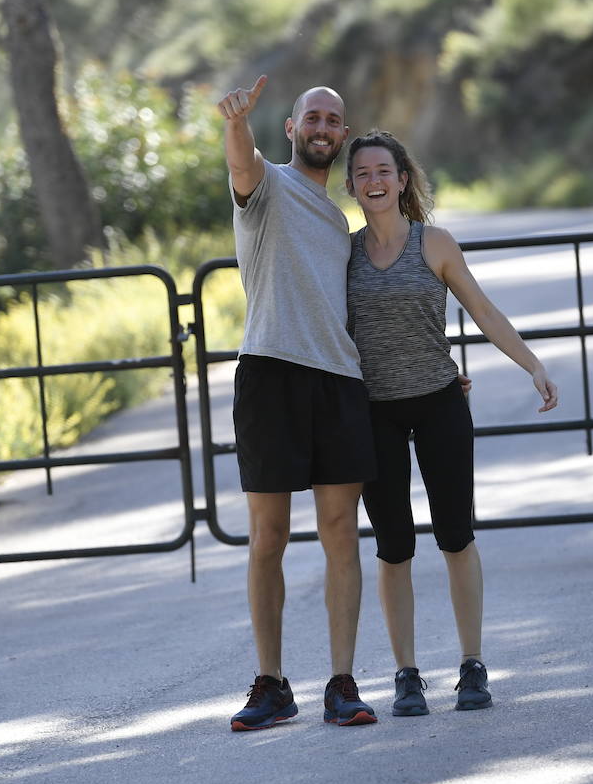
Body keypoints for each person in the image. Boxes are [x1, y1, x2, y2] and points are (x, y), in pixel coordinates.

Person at [344, 129, 558, 716]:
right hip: (375, 412)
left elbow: (483, 310)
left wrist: (532, 365)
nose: (374, 181)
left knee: (455, 534)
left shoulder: (433, 243)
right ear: (351, 186)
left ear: (403, 179)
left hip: (439, 401)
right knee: (393, 548)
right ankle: (406, 674)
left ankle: (472, 665)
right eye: (362, 174)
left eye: (383, 171)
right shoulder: (345, 254)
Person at [217, 76, 379, 730]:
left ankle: (342, 683)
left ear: (341, 135)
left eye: (332, 120)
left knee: (341, 535)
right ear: (291, 129)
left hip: (337, 383)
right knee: (268, 538)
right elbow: (240, 162)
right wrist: (235, 123)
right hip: (269, 377)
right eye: (311, 116)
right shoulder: (266, 188)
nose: (321, 126)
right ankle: (271, 682)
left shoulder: (343, 224)